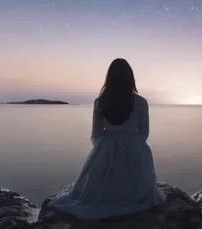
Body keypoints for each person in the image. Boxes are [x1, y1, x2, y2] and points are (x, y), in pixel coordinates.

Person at [49, 58, 167, 220]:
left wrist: (104, 150)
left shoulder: (100, 102)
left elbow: (96, 134)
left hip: (106, 147)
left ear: (109, 78)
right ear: (130, 78)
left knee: (94, 190)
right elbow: (144, 134)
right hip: (134, 148)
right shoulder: (141, 102)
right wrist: (133, 146)